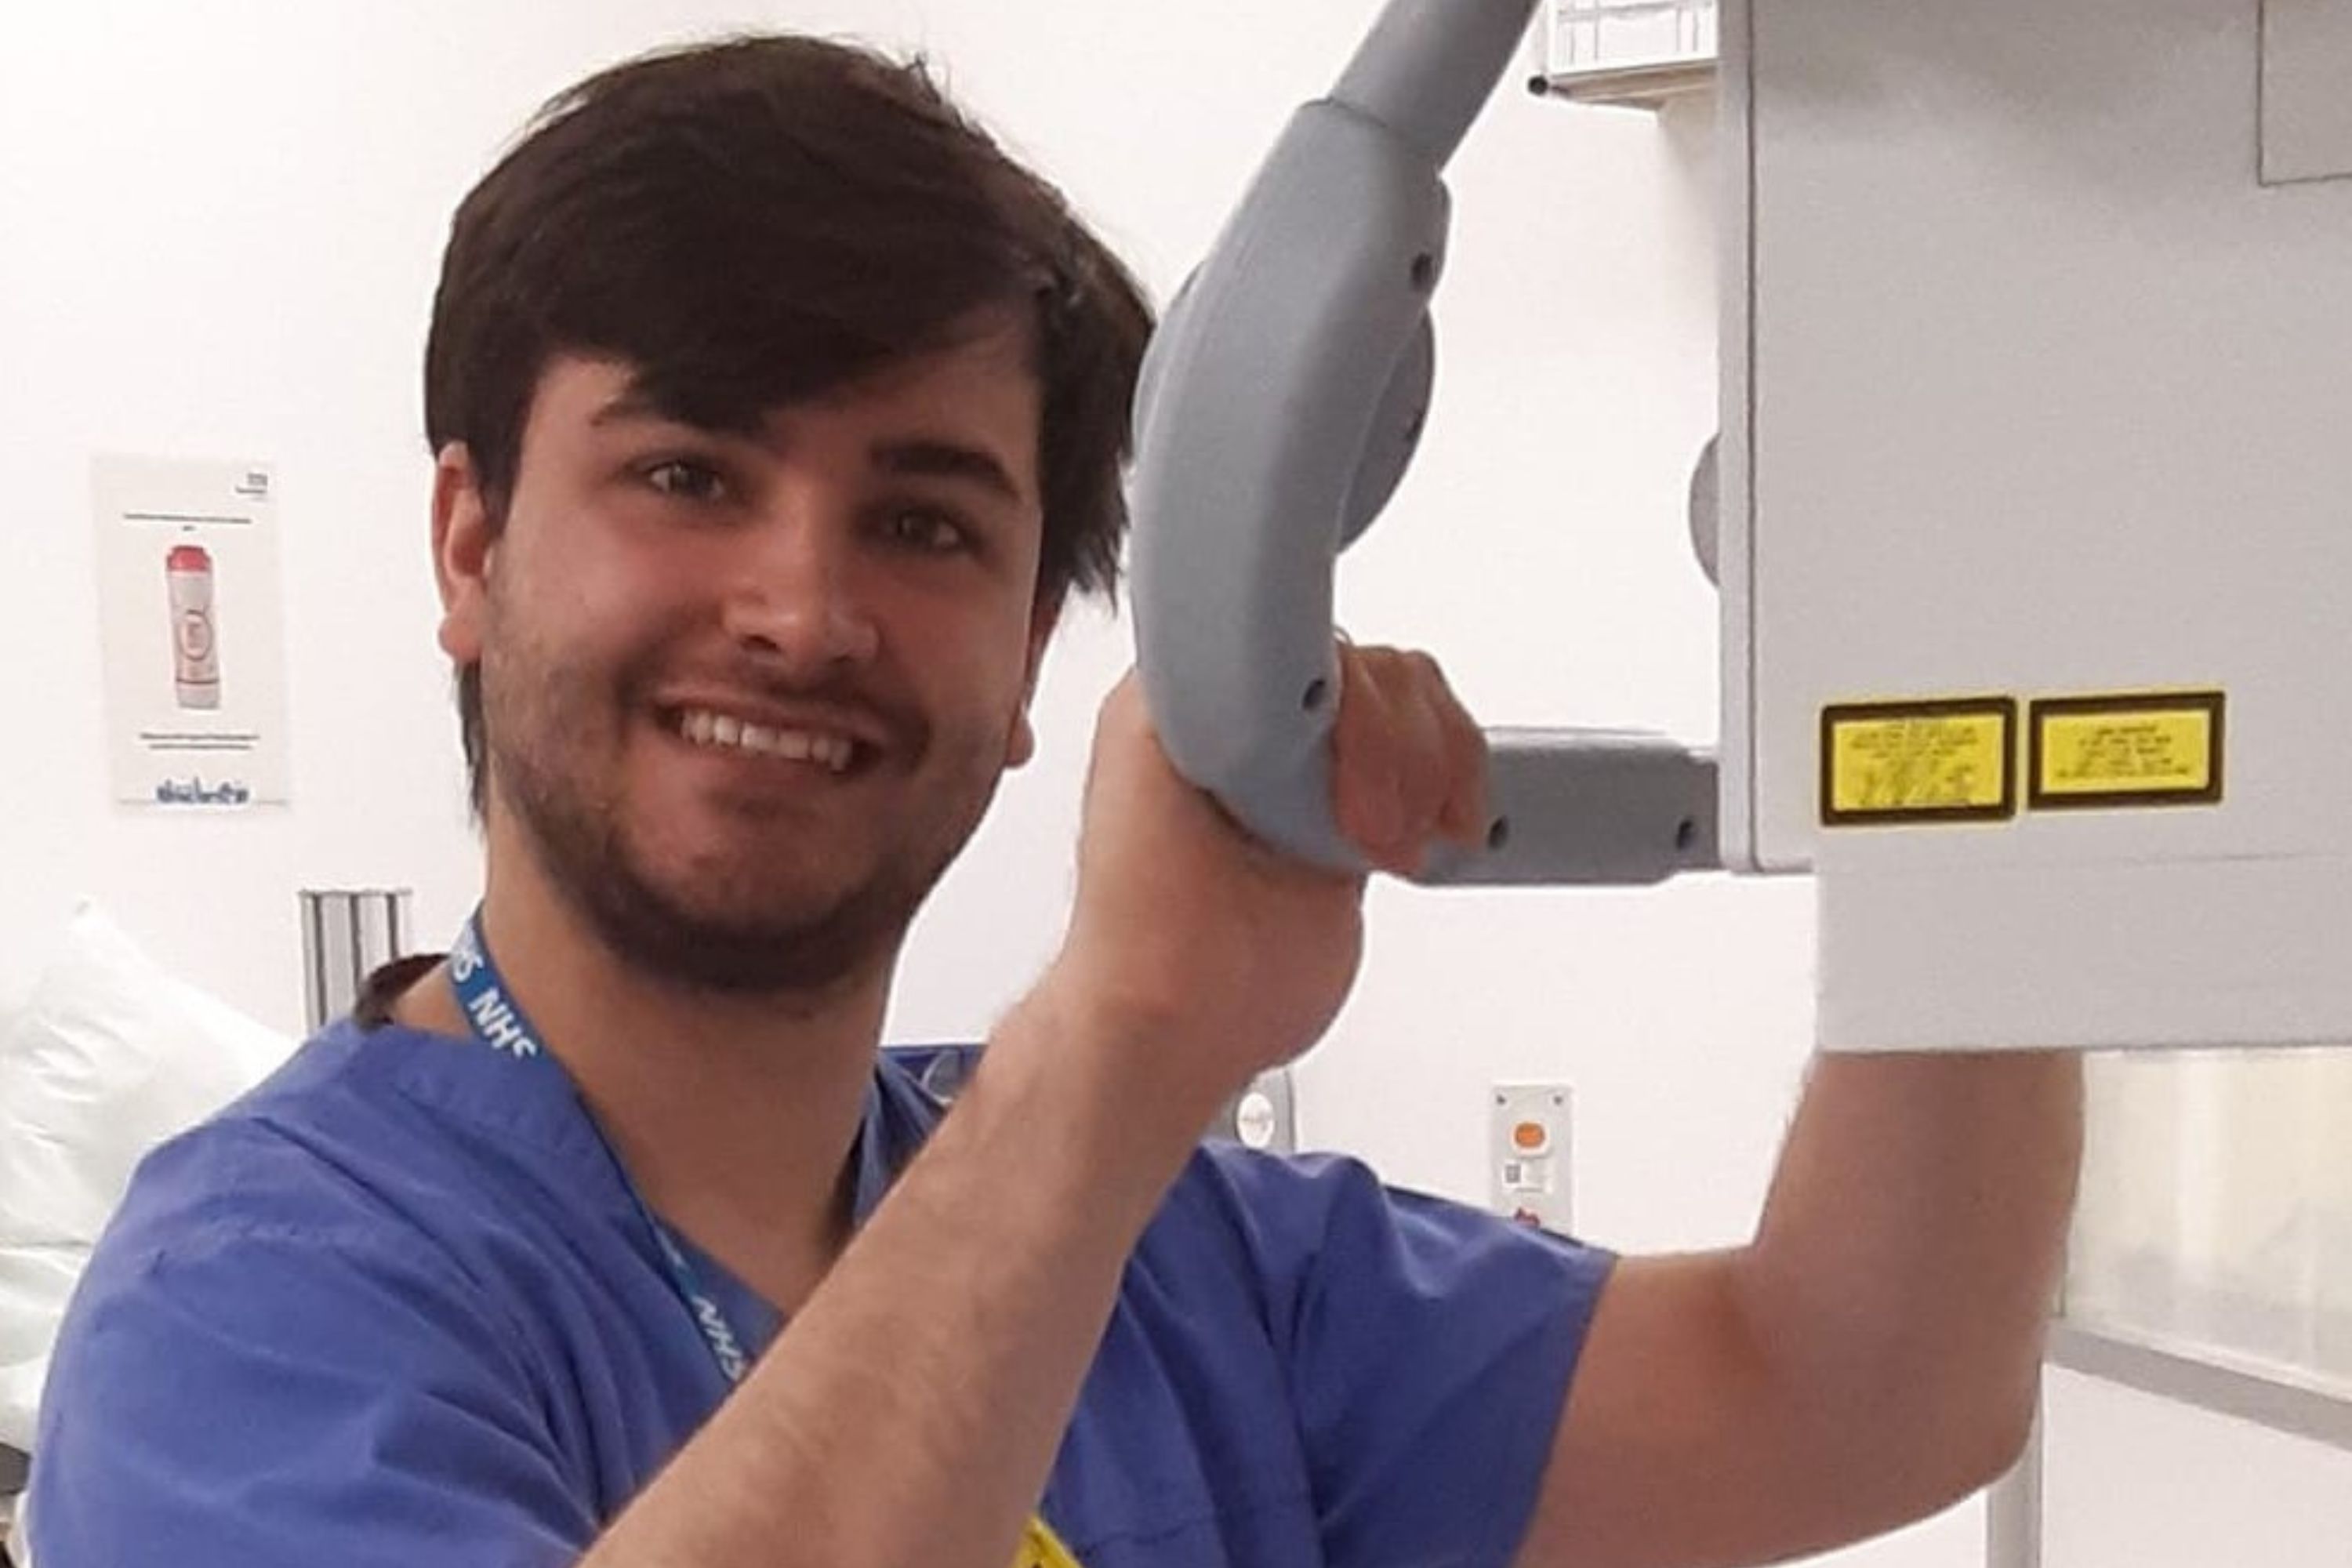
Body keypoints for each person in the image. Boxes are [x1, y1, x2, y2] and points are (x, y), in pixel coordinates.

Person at [27, 33, 2082, 1568]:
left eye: (924, 520)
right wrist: (1122, 1042)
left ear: (1027, 664)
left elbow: (1862, 1390)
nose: (801, 606)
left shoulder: (1184, 1271)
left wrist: (1975, 758)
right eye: (685, 476)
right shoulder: (258, 1307)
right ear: (470, 546)